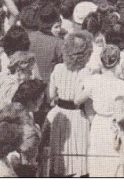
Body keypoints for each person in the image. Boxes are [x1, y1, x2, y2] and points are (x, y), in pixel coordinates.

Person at [76, 45, 124, 177]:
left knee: (99, 162)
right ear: (117, 62)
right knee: (115, 162)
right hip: (115, 125)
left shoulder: (93, 81)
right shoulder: (122, 85)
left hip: (99, 124)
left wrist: (81, 80)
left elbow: (77, 100)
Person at [46, 31, 93, 177]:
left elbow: (51, 95)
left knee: (60, 150)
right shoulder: (87, 72)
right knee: (76, 151)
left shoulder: (58, 68)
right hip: (77, 115)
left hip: (59, 113)